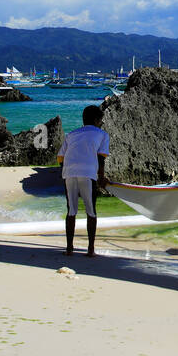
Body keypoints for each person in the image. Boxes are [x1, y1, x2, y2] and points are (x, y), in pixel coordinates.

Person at [57, 105, 109, 257]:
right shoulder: (102, 134)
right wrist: (101, 177)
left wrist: (67, 169)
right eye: (100, 120)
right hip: (88, 173)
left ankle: (69, 248)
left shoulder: (72, 134)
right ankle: (91, 249)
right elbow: (101, 157)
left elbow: (60, 157)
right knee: (91, 211)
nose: (101, 123)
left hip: (69, 172)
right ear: (95, 120)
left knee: (71, 210)